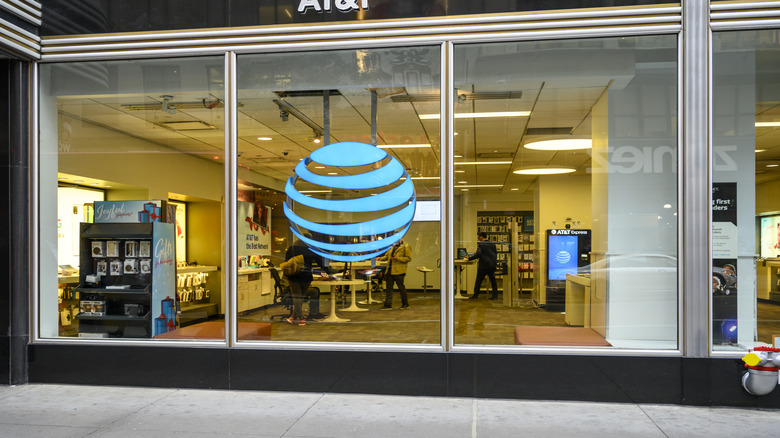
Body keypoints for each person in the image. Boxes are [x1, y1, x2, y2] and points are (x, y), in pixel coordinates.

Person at [283, 238, 331, 326]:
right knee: (301, 296)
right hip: (306, 276)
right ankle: (295, 317)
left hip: (294, 276)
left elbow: (286, 262)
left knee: (297, 297)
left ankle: (300, 318)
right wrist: (328, 272)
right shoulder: (311, 249)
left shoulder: (291, 249)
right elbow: (320, 262)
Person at [379, 240, 412, 310]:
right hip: (389, 271)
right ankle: (387, 305)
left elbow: (408, 258)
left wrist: (397, 258)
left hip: (399, 271)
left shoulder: (406, 246)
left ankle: (405, 304)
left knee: (401, 288)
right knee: (389, 289)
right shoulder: (391, 246)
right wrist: (381, 258)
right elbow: (387, 256)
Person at [467, 232, 498, 300]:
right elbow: (495, 254)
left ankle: (475, 295)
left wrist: (469, 258)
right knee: (493, 281)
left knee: (478, 280)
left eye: (478, 236)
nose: (478, 238)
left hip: (483, 265)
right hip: (491, 265)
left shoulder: (481, 245)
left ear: (481, 236)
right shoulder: (492, 244)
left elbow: (478, 254)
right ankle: (495, 295)